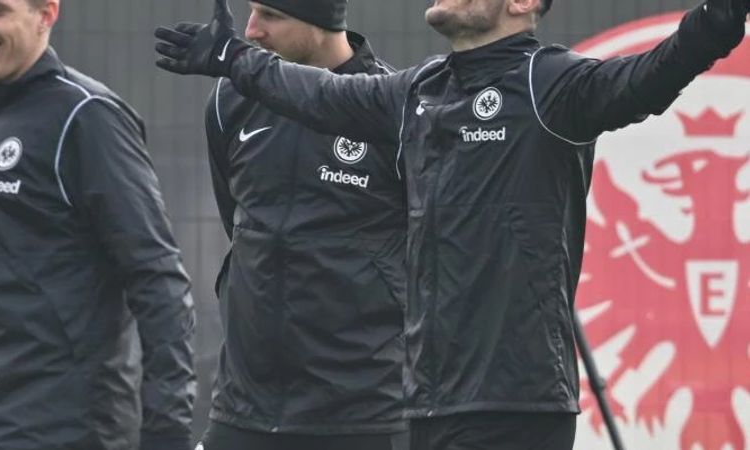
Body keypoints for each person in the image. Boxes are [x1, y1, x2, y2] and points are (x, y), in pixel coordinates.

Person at [155, 0, 750, 448]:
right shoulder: (421, 90)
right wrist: (235, 59)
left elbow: (649, 76)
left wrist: (718, 20)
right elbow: (316, 94)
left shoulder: (554, 85)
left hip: (515, 404)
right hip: (426, 404)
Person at [0, 0, 196, 449]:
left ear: (46, 14)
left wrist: (166, 433)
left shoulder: (88, 116)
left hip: (71, 430)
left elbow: (159, 282)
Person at [200, 1, 408, 449]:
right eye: (252, 12)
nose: (252, 31)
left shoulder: (391, 107)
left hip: (363, 414)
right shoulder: (231, 98)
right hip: (244, 409)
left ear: (321, 23)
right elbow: (236, 220)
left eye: (271, 15)